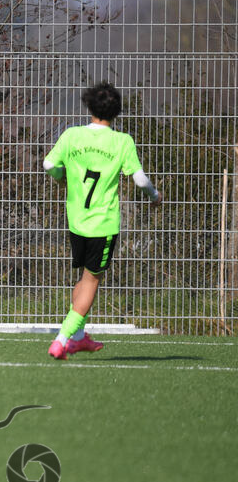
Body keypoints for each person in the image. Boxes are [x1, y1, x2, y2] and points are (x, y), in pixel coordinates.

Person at [43, 81, 163, 359]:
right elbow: (140, 179)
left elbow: (49, 164)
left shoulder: (72, 135)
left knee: (85, 278)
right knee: (93, 280)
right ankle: (62, 339)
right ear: (116, 112)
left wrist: (62, 179)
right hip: (103, 223)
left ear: (89, 106)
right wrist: (155, 196)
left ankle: (79, 337)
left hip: (77, 220)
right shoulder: (122, 141)